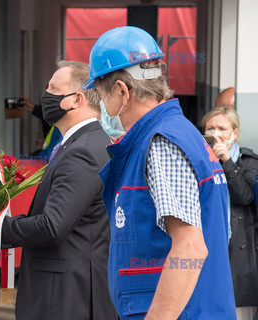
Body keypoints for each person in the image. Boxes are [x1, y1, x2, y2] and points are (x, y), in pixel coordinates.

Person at [83, 26, 236, 319]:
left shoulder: (161, 142)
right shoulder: (176, 134)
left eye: (101, 96)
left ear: (122, 91)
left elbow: (189, 249)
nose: (101, 107)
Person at [0, 61, 118, 320]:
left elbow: (52, 226)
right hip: (68, 292)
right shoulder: (83, 144)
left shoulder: (83, 151)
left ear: (77, 99)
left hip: (65, 298)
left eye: (53, 89)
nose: (45, 96)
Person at [202, 106, 258, 320]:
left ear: (235, 133)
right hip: (209, 246)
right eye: (210, 128)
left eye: (222, 128)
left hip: (239, 252)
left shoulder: (249, 163)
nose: (216, 134)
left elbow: (244, 197)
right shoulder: (200, 160)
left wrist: (227, 161)